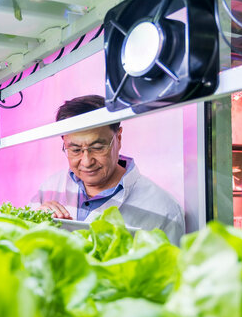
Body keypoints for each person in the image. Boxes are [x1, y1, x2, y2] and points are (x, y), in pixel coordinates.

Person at [29, 95, 185, 243]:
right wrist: (35, 225)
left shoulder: (164, 210)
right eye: (75, 150)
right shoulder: (49, 189)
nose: (87, 161)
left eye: (97, 147)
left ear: (118, 138)